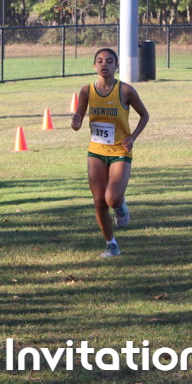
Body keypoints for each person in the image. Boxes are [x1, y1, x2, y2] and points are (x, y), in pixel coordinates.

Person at [70, 48, 149, 258]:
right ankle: (111, 244)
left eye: (109, 61)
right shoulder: (87, 91)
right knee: (99, 201)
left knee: (111, 199)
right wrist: (75, 123)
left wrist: (132, 137)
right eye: (100, 61)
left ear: (116, 66)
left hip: (120, 150)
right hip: (96, 150)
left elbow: (144, 115)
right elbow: (77, 123)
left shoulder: (126, 91)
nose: (104, 64)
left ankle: (120, 205)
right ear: (94, 65)